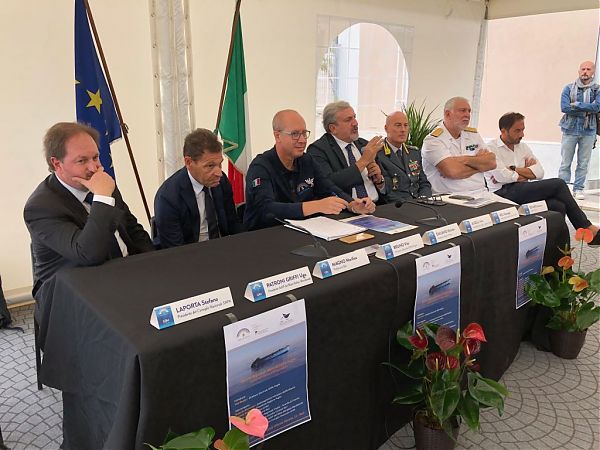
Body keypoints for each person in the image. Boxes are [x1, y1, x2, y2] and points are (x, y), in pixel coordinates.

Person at [24, 122, 154, 299]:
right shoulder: (40, 208)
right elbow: (88, 254)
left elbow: (132, 230)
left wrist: (152, 265)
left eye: (95, 157)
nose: (94, 168)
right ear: (57, 164)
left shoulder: (101, 184)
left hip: (124, 275)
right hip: (74, 292)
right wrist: (102, 197)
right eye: (82, 161)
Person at [244, 109, 375, 230]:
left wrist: (352, 204)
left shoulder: (307, 160)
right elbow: (266, 209)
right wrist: (316, 206)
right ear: (277, 136)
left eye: (304, 133)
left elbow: (329, 188)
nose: (302, 140)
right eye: (295, 134)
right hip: (265, 234)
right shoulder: (260, 167)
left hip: (304, 230)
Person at [486, 112, 599, 245]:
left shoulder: (523, 147)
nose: (522, 134)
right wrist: (525, 172)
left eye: (523, 130)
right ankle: (587, 227)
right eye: (517, 130)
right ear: (503, 131)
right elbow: (502, 176)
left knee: (558, 205)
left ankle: (558, 249)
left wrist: (513, 169)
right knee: (558, 184)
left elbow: (539, 172)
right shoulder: (491, 148)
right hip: (502, 193)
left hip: (521, 189)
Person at [154, 128, 243, 248]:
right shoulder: (168, 197)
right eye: (210, 166)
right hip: (188, 254)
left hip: (222, 249)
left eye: (220, 164)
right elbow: (175, 250)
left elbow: (233, 224)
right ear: (188, 162)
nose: (219, 173)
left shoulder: (221, 182)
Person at [306, 101, 386, 203]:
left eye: (354, 117)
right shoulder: (318, 150)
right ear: (333, 128)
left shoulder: (364, 145)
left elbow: (387, 184)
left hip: (378, 205)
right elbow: (327, 185)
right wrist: (363, 161)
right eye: (348, 120)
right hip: (347, 208)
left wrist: (380, 181)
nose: (355, 123)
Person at [421, 97, 498, 195]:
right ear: (447, 114)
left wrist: (464, 160)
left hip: (481, 193)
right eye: (462, 110)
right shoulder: (433, 140)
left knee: (510, 205)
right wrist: (480, 165)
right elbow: (453, 172)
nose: (467, 115)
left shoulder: (473, 135)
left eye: (469, 111)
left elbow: (492, 162)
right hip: (450, 196)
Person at [558, 61, 600, 199]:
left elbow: (597, 107)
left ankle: (578, 188)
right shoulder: (568, 88)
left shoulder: (597, 90)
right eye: (583, 69)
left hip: (589, 130)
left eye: (588, 69)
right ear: (579, 71)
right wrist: (587, 108)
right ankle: (562, 188)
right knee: (565, 162)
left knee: (583, 163)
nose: (585, 72)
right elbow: (565, 107)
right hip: (569, 129)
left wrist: (576, 104)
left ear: (593, 72)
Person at [379, 110, 432, 201]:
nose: (403, 130)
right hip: (396, 205)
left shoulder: (414, 153)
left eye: (406, 125)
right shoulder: (379, 154)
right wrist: (411, 204)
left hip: (419, 203)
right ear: (386, 128)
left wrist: (424, 199)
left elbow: (424, 183)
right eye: (398, 125)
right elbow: (384, 192)